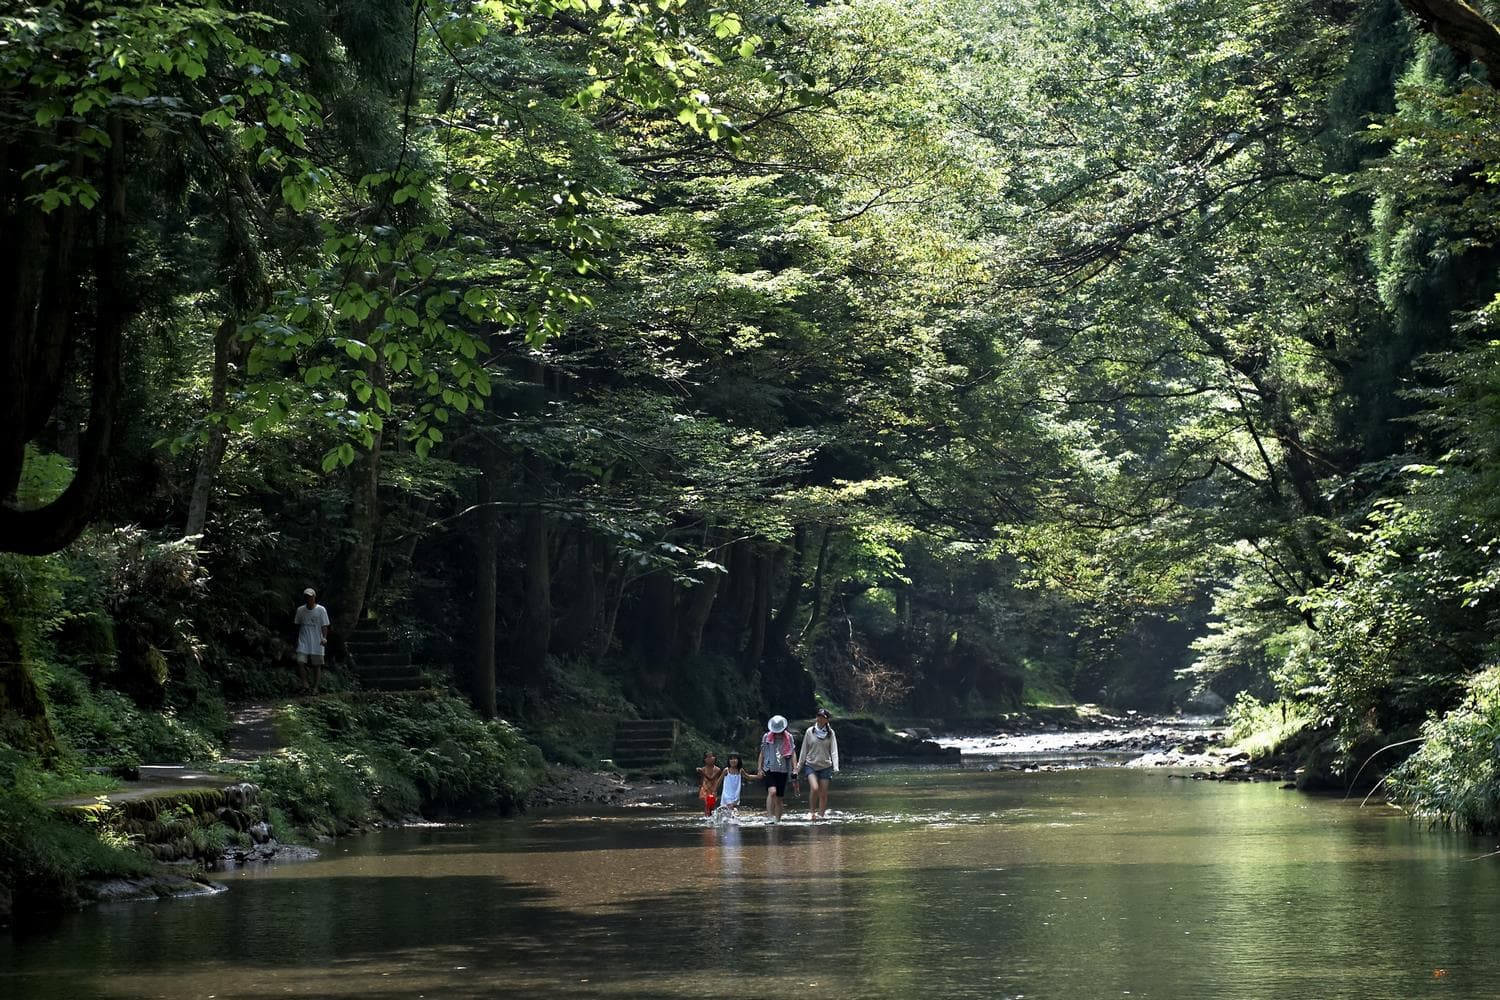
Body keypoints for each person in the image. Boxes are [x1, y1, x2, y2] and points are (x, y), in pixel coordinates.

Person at [799, 708, 840, 819]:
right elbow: (804, 749)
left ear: (827, 720)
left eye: (823, 717)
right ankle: (812, 812)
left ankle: (821, 815)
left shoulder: (830, 733)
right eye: (819, 716)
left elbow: (834, 750)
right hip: (811, 765)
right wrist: (799, 766)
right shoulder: (809, 731)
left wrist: (836, 767)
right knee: (815, 788)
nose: (820, 719)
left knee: (823, 793)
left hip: (825, 766)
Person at [757, 715, 799, 823]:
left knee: (779, 798)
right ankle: (770, 817)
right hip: (769, 768)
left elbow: (793, 753)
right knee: (772, 792)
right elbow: (762, 753)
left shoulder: (789, 737)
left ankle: (778, 820)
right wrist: (759, 769)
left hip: (783, 769)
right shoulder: (767, 737)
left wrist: (795, 768)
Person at [293, 588, 329, 693]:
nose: (308, 599)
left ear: (314, 597)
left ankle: (315, 687)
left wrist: (324, 637)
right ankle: (305, 685)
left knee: (316, 665)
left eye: (310, 596)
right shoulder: (300, 610)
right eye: (306, 597)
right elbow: (297, 625)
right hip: (303, 640)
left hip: (317, 641)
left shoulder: (321, 610)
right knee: (300, 662)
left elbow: (324, 625)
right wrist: (296, 639)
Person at [718, 754, 747, 820]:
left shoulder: (740, 770)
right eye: (731, 759)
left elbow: (748, 776)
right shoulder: (726, 770)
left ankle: (728, 821)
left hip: (735, 795)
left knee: (729, 811)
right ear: (729, 761)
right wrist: (714, 791)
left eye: (735, 759)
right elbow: (719, 781)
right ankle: (732, 822)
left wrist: (758, 776)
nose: (733, 760)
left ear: (738, 760)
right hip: (727, 794)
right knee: (731, 809)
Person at [696, 751, 724, 816]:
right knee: (707, 804)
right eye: (708, 757)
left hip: (713, 789)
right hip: (705, 789)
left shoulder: (717, 769)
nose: (710, 759)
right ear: (704, 759)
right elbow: (702, 779)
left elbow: (711, 778)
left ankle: (711, 816)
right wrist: (700, 786)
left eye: (711, 757)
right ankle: (707, 816)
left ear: (715, 758)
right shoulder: (703, 769)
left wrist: (702, 772)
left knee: (711, 805)